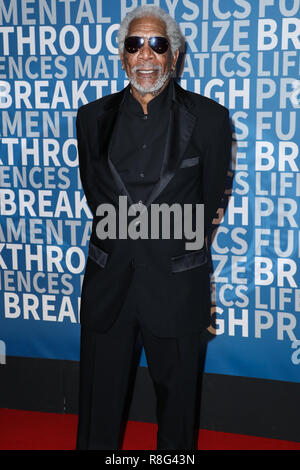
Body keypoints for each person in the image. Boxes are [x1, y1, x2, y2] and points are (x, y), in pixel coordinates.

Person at [75, 5, 232, 450]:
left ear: (174, 55)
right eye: (134, 44)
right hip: (109, 288)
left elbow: (207, 205)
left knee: (178, 416)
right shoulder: (91, 119)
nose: (146, 54)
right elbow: (96, 197)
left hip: (177, 287)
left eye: (157, 44)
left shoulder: (211, 120)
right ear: (123, 56)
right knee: (97, 413)